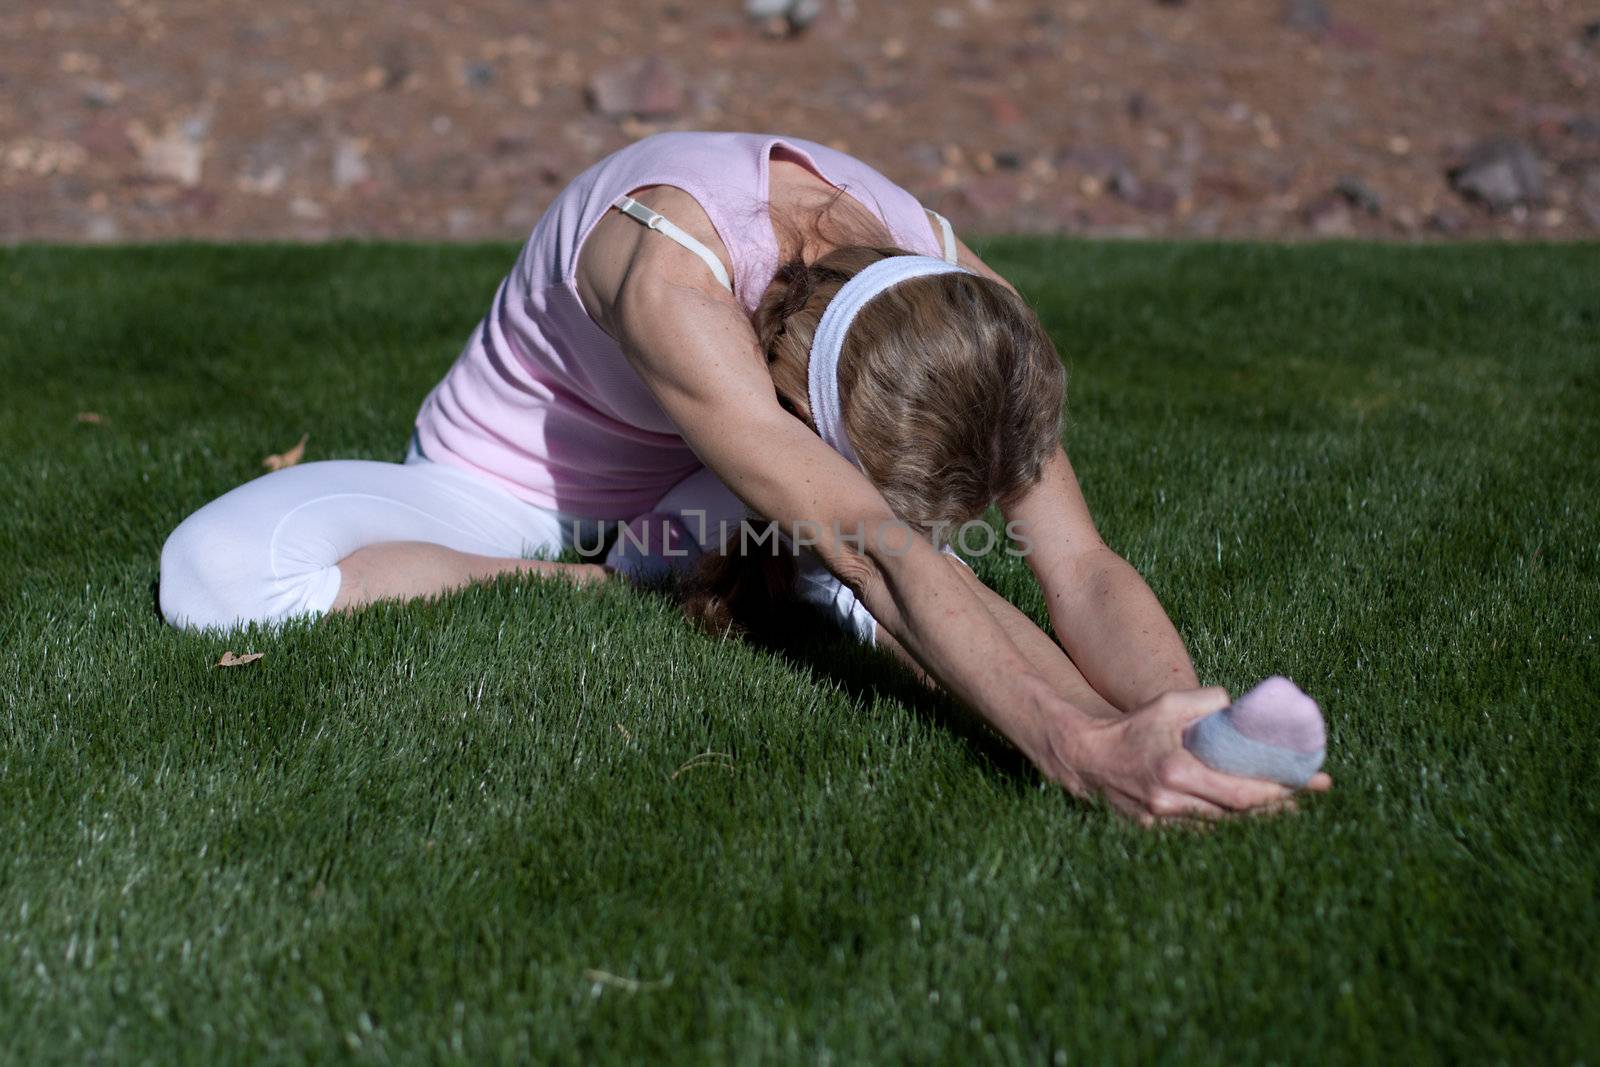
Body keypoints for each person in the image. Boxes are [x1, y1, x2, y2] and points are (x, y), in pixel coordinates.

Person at [158, 131, 1331, 823]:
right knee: (213, 575)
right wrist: (1077, 752)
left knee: (876, 558)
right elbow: (879, 542)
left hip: (730, 497)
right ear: (809, 406)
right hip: (498, 488)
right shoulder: (671, 268)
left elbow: (1072, 555)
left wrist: (1180, 716)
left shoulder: (957, 296)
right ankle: (620, 587)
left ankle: (759, 575)